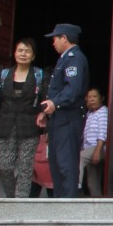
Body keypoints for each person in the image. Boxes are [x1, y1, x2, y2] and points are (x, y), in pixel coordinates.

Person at [38, 24, 90, 198]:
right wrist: (47, 110)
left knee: (65, 161)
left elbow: (72, 89)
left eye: (55, 38)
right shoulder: (65, 58)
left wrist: (55, 103)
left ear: (64, 38)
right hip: (59, 117)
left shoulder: (75, 58)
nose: (53, 42)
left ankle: (67, 202)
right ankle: (59, 201)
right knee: (56, 161)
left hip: (69, 116)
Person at [0, 40, 45, 199]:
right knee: (4, 165)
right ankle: (11, 197)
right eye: (20, 50)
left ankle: (20, 201)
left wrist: (44, 114)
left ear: (33, 55)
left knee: (25, 167)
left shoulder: (39, 76)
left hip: (29, 126)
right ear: (14, 53)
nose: (23, 54)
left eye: (27, 51)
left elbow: (45, 100)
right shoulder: (3, 75)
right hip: (6, 125)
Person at [81, 88, 109, 196]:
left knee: (79, 158)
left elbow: (103, 133)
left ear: (102, 98)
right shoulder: (90, 114)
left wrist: (97, 151)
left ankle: (77, 186)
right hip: (89, 149)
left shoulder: (103, 111)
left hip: (98, 147)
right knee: (93, 183)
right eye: (89, 97)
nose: (92, 99)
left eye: (95, 97)